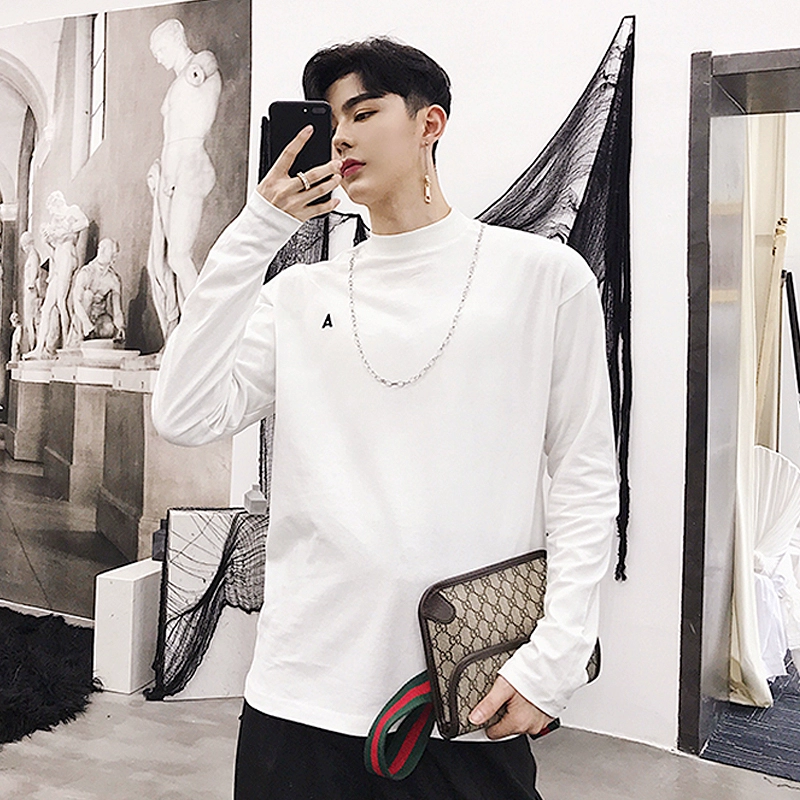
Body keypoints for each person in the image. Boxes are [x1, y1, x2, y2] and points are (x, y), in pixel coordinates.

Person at [152, 38, 618, 800]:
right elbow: (183, 411)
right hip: (298, 697)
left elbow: (585, 476)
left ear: (430, 123)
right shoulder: (297, 295)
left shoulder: (543, 278)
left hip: (459, 693)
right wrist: (255, 233)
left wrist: (558, 656)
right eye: (330, 119)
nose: (340, 136)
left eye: (363, 113)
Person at [146, 18, 221, 342]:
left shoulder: (198, 65)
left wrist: (199, 68)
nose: (158, 57)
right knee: (165, 260)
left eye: (160, 49)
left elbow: (206, 65)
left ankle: (205, 331)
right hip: (170, 172)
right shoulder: (179, 79)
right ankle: (178, 335)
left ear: (176, 39)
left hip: (189, 167)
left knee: (179, 255)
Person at [66, 237, 125, 347]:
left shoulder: (113, 279)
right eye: (100, 247)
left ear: (113, 257)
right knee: (87, 295)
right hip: (82, 316)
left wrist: (120, 327)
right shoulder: (87, 272)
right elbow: (76, 301)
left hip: (99, 317)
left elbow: (117, 309)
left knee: (108, 327)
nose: (101, 251)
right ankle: (78, 339)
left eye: (106, 249)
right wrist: (86, 323)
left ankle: (96, 338)